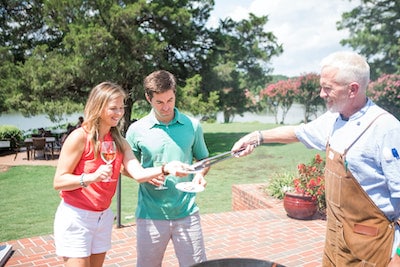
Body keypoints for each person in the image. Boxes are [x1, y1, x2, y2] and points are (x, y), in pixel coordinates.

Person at [231, 51, 400, 266]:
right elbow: (297, 132)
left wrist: (398, 258)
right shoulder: (333, 119)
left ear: (353, 89)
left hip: (373, 249)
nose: (321, 94)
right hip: (336, 242)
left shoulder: (386, 129)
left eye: (328, 88)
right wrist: (256, 137)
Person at [53, 81, 189, 267]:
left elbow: (138, 173)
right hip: (77, 217)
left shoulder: (119, 141)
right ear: (98, 107)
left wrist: (166, 168)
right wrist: (91, 178)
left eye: (121, 107)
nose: (119, 113)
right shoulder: (79, 137)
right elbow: (59, 181)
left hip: (102, 217)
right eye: (113, 108)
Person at [125, 70, 210, 267]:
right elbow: (126, 168)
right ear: (148, 98)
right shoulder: (136, 130)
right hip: (150, 216)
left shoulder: (193, 125)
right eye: (159, 102)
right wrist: (147, 175)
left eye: (170, 100)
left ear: (174, 93)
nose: (166, 107)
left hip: (188, 214)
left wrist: (199, 174)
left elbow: (203, 159)